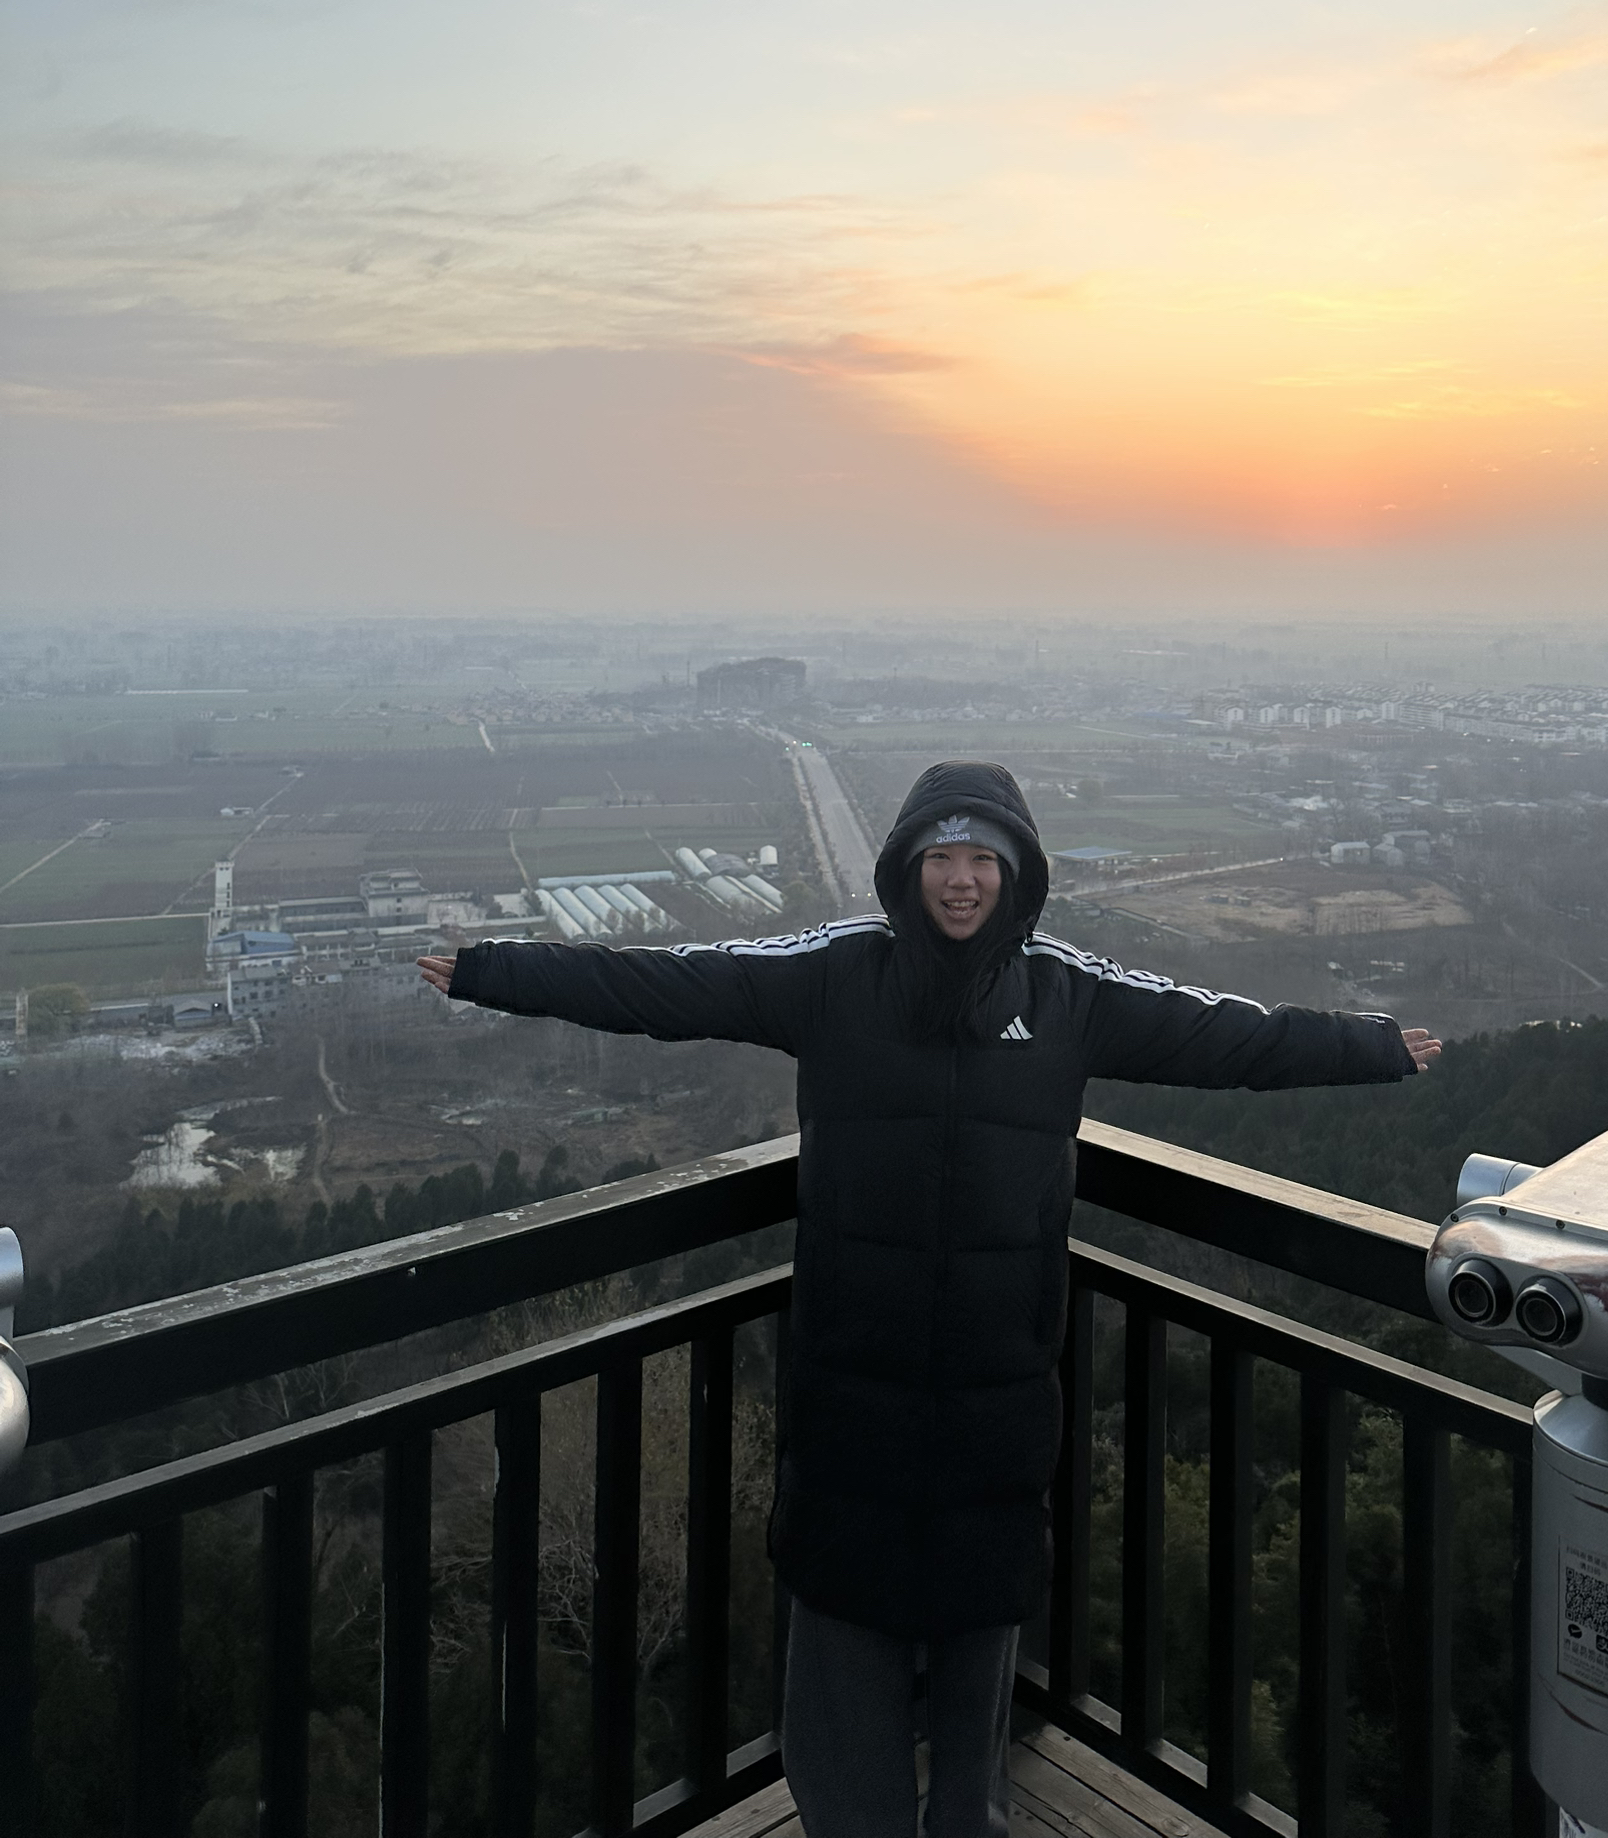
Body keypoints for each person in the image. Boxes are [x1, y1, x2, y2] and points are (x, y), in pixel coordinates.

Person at [420, 760, 1438, 1838]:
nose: (961, 880)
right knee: (843, 1611)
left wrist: (1368, 1046)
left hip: (999, 1381)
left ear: (1017, 872)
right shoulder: (834, 975)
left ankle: (967, 1817)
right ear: (906, 868)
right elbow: (665, 985)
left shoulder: (1066, 994)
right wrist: (495, 970)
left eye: (982, 859)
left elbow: (1227, 1036)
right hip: (853, 1373)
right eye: (940, 857)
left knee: (980, 1615)